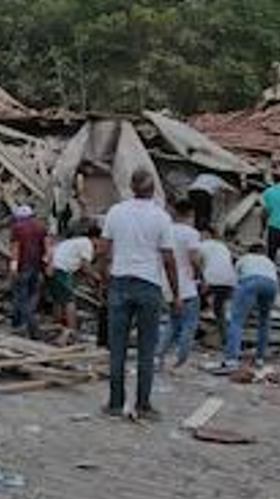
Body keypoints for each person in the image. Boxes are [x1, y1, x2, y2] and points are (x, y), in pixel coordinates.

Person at [100, 169, 178, 420]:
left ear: (131, 188)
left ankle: (115, 403)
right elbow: (169, 259)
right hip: (148, 284)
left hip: (120, 281)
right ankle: (143, 404)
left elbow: (103, 250)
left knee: (117, 348)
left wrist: (105, 280)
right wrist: (176, 294)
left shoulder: (116, 212)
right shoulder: (161, 217)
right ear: (153, 190)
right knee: (146, 349)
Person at [209, 242, 280, 373]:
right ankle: (260, 358)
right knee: (264, 321)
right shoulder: (269, 262)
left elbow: (235, 281)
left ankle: (231, 359)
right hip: (271, 285)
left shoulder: (244, 259)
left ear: (249, 251)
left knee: (236, 321)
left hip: (250, 281)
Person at [158, 199, 203, 370]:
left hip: (168, 284)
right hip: (187, 286)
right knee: (189, 324)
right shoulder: (191, 233)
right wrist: (200, 275)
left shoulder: (166, 231)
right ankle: (181, 360)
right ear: (190, 214)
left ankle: (159, 356)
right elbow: (194, 258)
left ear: (174, 212)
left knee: (173, 322)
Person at [46, 222, 101, 344]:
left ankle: (57, 325)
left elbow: (81, 269)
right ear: (95, 238)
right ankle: (72, 330)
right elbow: (86, 266)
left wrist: (90, 280)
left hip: (53, 267)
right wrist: (97, 277)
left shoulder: (76, 241)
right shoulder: (87, 244)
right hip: (61, 269)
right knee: (69, 301)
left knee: (58, 300)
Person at [9, 205, 47, 340]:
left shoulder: (17, 228)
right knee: (30, 296)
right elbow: (47, 248)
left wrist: (13, 267)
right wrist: (46, 265)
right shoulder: (41, 227)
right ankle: (18, 322)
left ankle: (30, 327)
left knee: (21, 296)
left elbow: (15, 249)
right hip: (36, 266)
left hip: (23, 266)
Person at [197, 228, 237, 348]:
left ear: (206, 235)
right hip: (229, 281)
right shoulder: (223, 246)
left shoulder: (201, 245)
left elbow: (196, 264)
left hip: (212, 279)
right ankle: (225, 340)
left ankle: (189, 334)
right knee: (219, 311)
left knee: (192, 304)